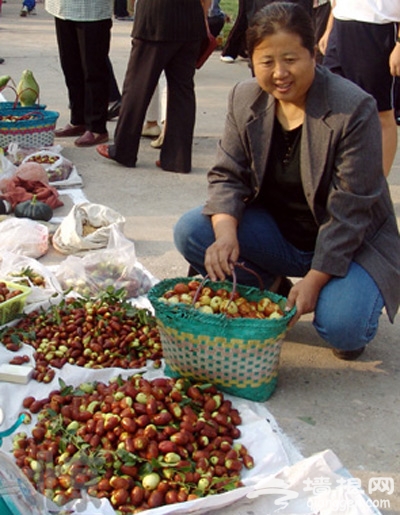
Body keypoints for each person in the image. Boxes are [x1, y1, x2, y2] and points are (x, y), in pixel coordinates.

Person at [173, 2, 400, 360]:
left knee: (342, 328)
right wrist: (226, 235)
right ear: (252, 60)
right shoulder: (245, 98)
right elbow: (227, 174)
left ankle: (338, 297)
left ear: (313, 54)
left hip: (351, 241)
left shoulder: (352, 109)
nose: (279, 73)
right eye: (267, 62)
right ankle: (271, 284)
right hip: (281, 233)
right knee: (194, 231)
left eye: (291, 59)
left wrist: (314, 280)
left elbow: (350, 212)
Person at [96, 0, 210, 173]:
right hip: (190, 20)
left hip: (155, 17)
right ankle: (177, 159)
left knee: (138, 86)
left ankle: (123, 150)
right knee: (183, 91)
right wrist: (204, 17)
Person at [320, 1, 400, 177]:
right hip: (341, 24)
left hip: (378, 28)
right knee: (330, 104)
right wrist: (329, 28)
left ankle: (378, 189)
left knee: (381, 113)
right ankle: (340, 178)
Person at [46, 0, 112, 147]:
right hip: (63, 7)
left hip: (91, 10)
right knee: (70, 66)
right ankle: (78, 119)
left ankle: (96, 127)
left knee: (93, 68)